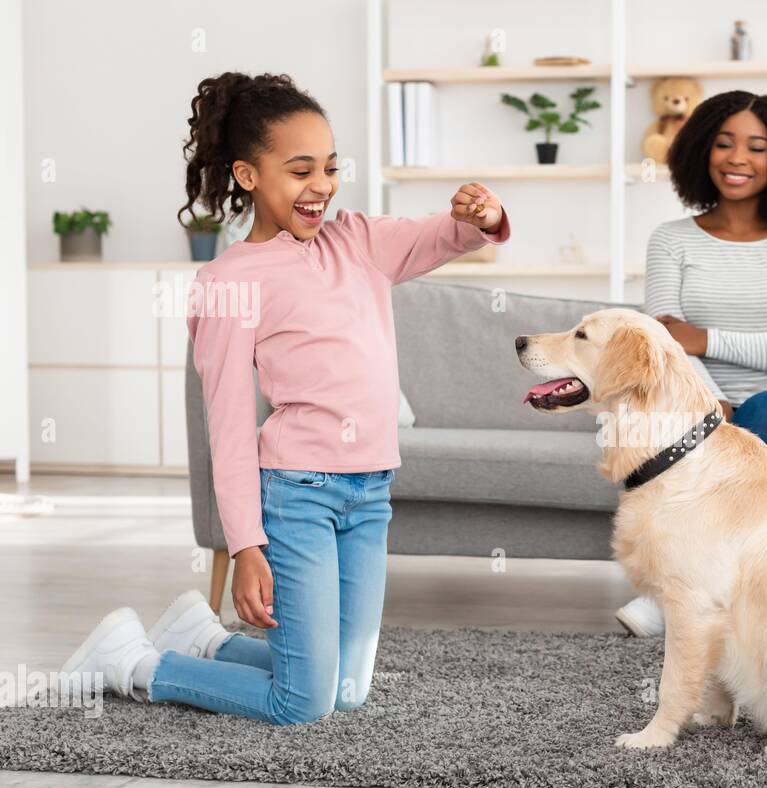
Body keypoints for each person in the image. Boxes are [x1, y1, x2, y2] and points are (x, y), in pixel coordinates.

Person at [59, 71, 511, 722]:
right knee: (302, 702)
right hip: (298, 495)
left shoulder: (356, 240)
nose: (322, 186)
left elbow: (444, 235)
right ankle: (135, 664)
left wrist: (482, 218)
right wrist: (246, 547)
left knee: (346, 691)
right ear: (248, 175)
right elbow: (229, 423)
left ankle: (203, 641)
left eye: (329, 167)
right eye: (300, 171)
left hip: (371, 491)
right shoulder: (230, 281)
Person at [615, 90, 767, 639]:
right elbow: (663, 346)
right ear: (700, 151)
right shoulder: (671, 240)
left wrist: (705, 338)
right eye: (724, 143)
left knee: (765, 414)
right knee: (706, 431)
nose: (738, 158)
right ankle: (694, 589)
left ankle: (679, 590)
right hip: (694, 405)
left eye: (757, 147)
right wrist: (709, 400)